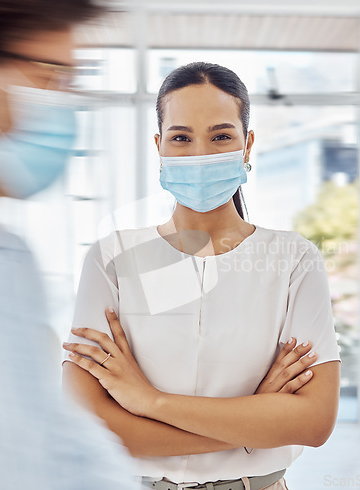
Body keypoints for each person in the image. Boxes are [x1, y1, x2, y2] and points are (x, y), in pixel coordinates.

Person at [62, 62, 341, 489]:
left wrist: (148, 401)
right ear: (159, 146)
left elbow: (314, 422)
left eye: (221, 136)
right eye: (181, 138)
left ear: (247, 145)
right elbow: (88, 423)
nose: (200, 154)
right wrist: (255, 418)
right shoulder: (111, 258)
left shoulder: (294, 259)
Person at [0, 2, 136, 489]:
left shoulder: (7, 261)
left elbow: (58, 441)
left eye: (73, 81)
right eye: (49, 76)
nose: (66, 106)